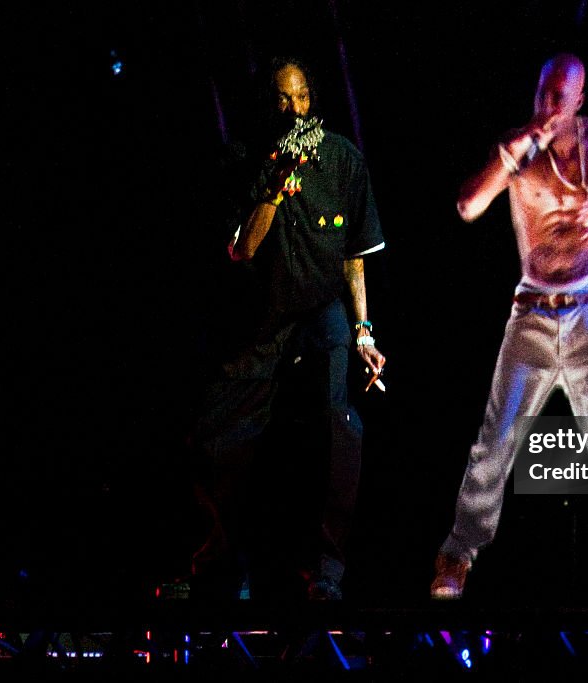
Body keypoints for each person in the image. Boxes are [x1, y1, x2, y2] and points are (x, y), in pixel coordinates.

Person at [430, 53, 588, 599]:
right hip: (531, 311)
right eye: (542, 94)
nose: (548, 106)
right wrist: (513, 154)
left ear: (580, 98)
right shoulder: (518, 149)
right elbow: (466, 205)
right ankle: (458, 554)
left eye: (560, 96)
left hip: (585, 308)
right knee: (496, 437)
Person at [187, 56, 386, 601]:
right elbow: (241, 248)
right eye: (282, 99)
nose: (293, 109)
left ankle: (325, 575)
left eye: (300, 98)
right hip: (261, 316)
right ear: (267, 104)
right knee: (215, 436)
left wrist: (364, 328)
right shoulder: (242, 160)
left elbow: (355, 255)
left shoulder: (342, 159)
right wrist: (274, 185)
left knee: (336, 422)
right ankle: (227, 566)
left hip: (321, 309)